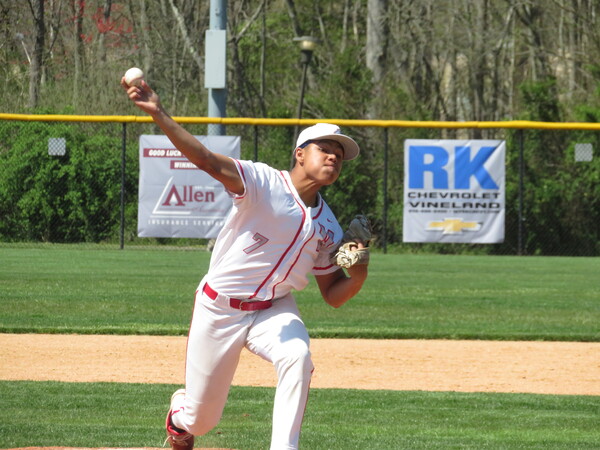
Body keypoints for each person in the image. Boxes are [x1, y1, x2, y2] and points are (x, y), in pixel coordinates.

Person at [121, 77, 369, 450]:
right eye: (325, 148)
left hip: (274, 309)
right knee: (202, 420)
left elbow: (333, 294)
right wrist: (159, 113)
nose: (334, 156)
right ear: (300, 153)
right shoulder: (263, 182)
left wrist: (360, 273)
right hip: (220, 308)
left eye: (340, 154)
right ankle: (180, 417)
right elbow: (205, 159)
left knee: (298, 356)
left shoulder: (328, 227)